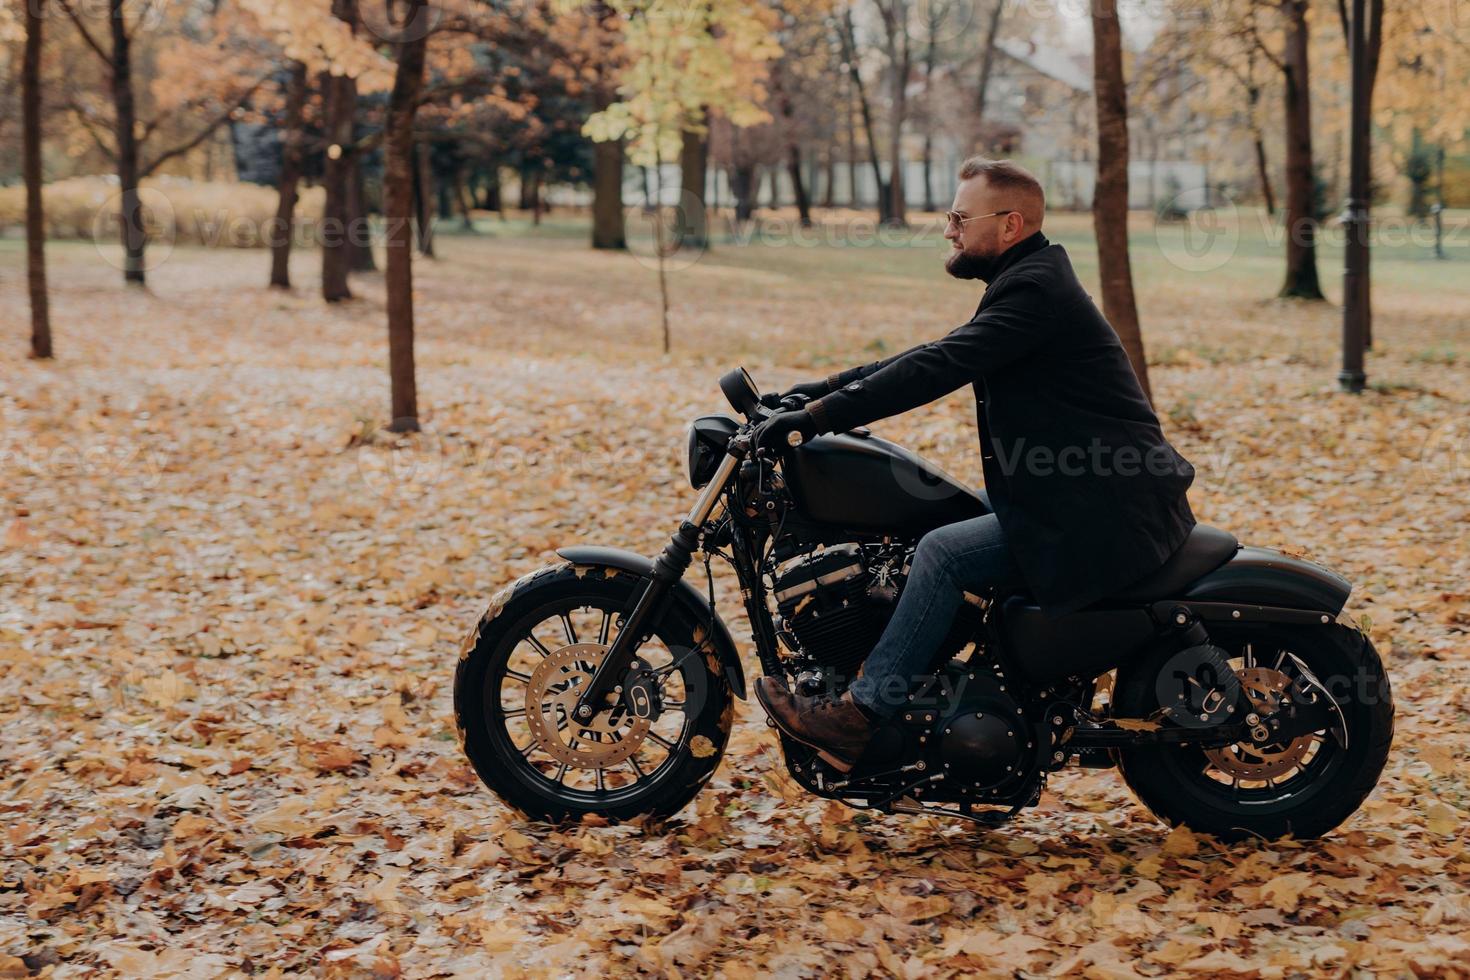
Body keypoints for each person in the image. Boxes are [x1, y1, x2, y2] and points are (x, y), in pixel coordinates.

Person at [751, 158, 1197, 773]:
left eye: (961, 217)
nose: (948, 230)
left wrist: (815, 417)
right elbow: (934, 352)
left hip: (1099, 511)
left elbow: (939, 367)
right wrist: (814, 393)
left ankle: (861, 716)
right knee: (925, 525)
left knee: (942, 552)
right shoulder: (1029, 279)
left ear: (1010, 224)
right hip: (1076, 497)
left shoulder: (1035, 290)